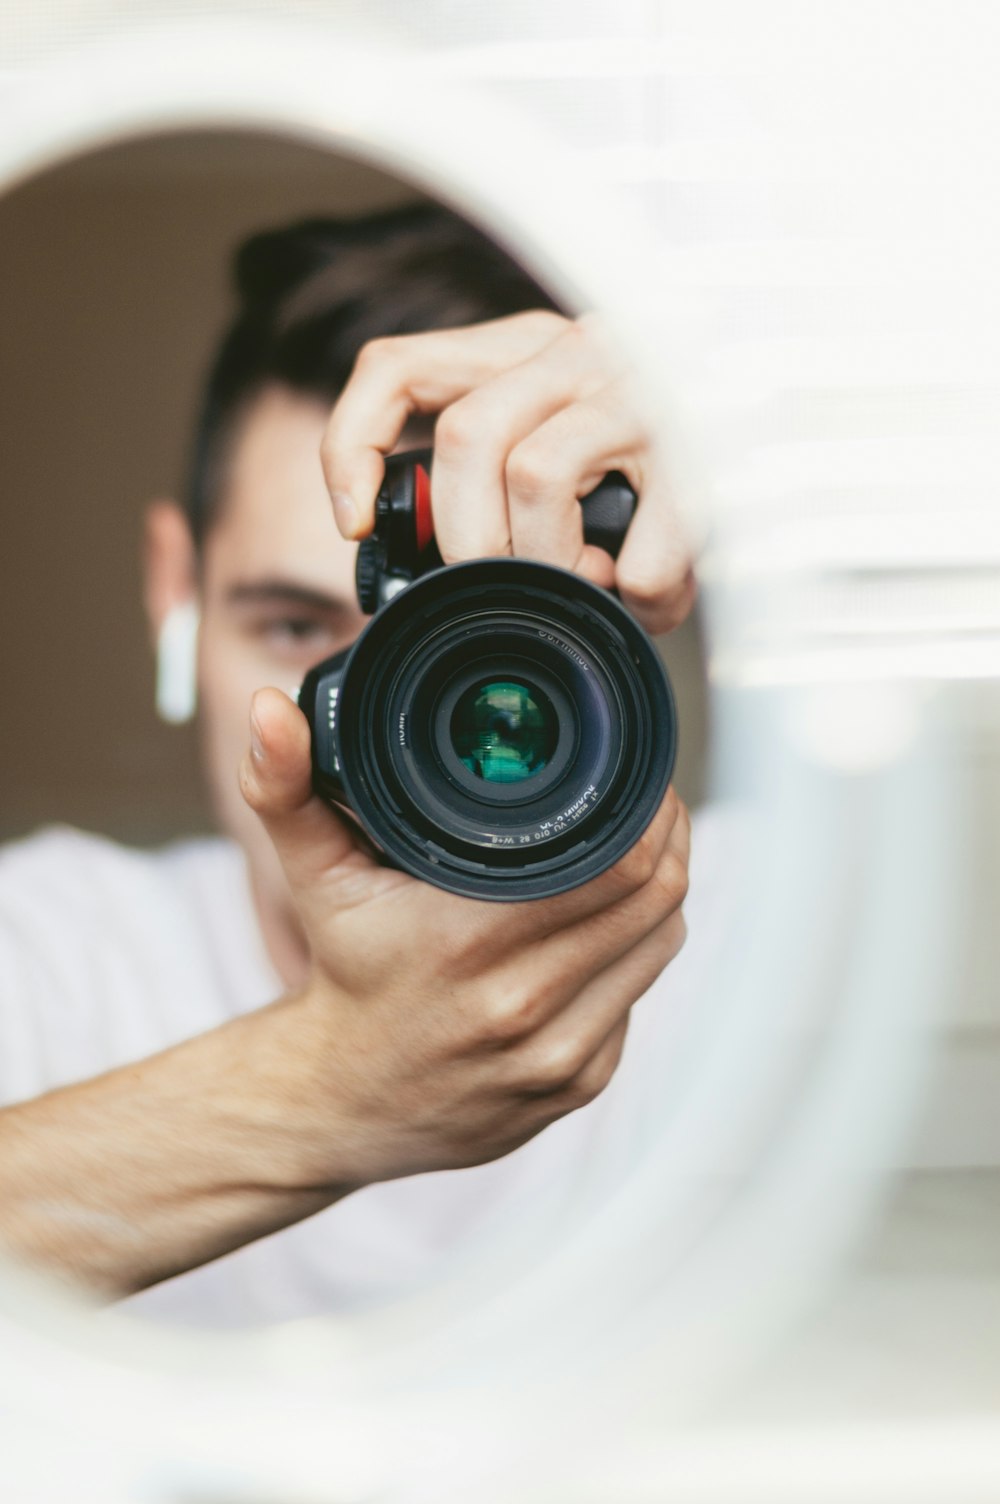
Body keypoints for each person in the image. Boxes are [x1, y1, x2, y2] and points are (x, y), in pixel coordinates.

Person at [0, 205, 694, 1326]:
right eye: (291, 628)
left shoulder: (776, 934)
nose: (378, 720)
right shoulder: (47, 958)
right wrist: (327, 1087)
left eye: (477, 648)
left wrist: (771, 436)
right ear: (172, 592)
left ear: (622, 623)